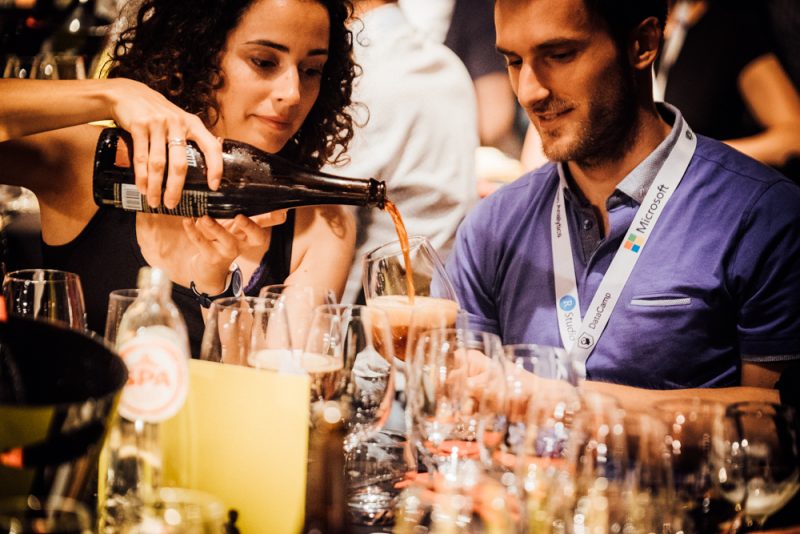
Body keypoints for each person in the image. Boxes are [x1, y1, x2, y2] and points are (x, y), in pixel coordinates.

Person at [445, 0, 800, 407]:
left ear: (642, 45)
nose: (529, 92)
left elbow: (772, 424)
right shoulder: (491, 227)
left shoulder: (763, 216)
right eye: (514, 61)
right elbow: (463, 412)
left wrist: (558, 400)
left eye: (559, 55)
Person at [0, 0, 357, 355]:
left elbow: (279, 383)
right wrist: (112, 94)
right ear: (197, 51)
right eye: (264, 62)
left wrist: (218, 289)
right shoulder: (93, 164)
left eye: (311, 70)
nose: (292, 93)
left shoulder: (321, 224)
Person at [332, 0, 478, 304]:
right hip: (443, 293)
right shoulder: (448, 64)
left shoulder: (355, 71)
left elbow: (331, 217)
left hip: (375, 306)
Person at [655, 0, 800, 183]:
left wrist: (698, 156)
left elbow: (794, 136)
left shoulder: (729, 27)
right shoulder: (633, 37)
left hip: (709, 191)